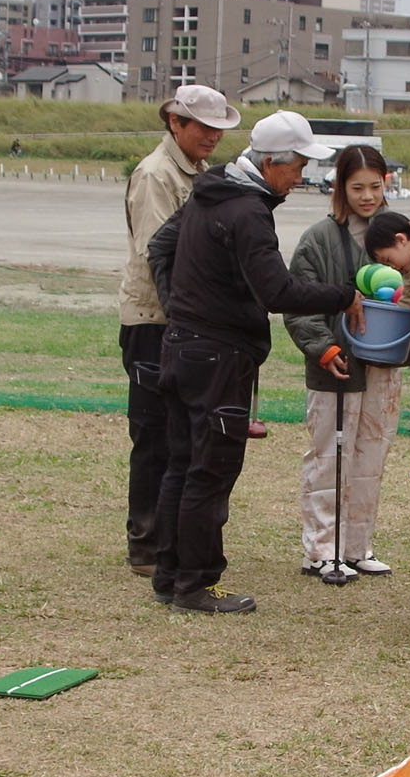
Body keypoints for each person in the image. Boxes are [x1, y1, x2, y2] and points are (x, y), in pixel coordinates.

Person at [148, 111, 359, 614]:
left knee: (181, 464)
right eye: (298, 165)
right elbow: (277, 290)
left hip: (181, 347)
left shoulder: (210, 190)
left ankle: (170, 574)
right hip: (218, 357)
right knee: (211, 470)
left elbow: (160, 247)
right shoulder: (247, 211)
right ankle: (196, 585)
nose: (302, 175)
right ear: (271, 162)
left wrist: (181, 309)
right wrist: (343, 295)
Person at [286, 147, 410, 578]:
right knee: (329, 456)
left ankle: (356, 546)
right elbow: (297, 300)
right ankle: (321, 550)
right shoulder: (320, 239)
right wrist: (323, 347)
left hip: (384, 368)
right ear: (340, 188)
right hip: (336, 367)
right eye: (357, 187)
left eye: (375, 186)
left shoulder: (405, 234)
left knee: (371, 455)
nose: (367, 196)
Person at [119, 85, 238, 587]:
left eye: (219, 128)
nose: (212, 136)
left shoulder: (201, 175)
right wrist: (186, 321)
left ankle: (170, 539)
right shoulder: (155, 175)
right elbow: (159, 256)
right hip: (155, 320)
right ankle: (146, 542)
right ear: (174, 123)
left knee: (181, 438)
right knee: (153, 436)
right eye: (203, 126)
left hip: (183, 324)